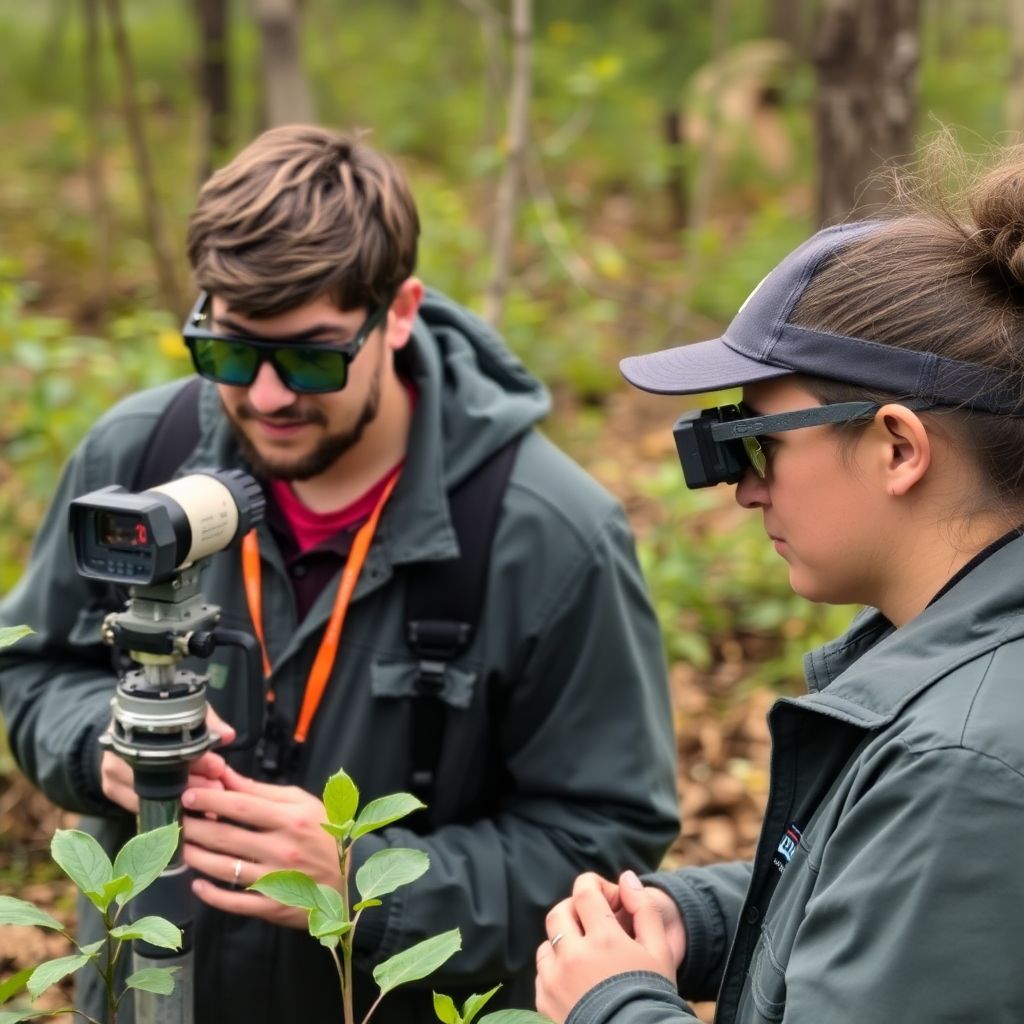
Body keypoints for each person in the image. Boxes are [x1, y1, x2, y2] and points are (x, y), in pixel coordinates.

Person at [0, 125, 680, 1024]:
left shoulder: (546, 534)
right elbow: (31, 668)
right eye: (231, 350)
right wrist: (102, 748)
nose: (268, 395)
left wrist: (364, 883)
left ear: (399, 312)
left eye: (312, 357)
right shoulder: (138, 457)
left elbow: (604, 841)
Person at [534, 150, 1024, 1023]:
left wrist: (610, 1004)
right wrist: (700, 921)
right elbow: (895, 898)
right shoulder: (958, 685)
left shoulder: (963, 765)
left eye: (757, 443)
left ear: (898, 448)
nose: (745, 489)